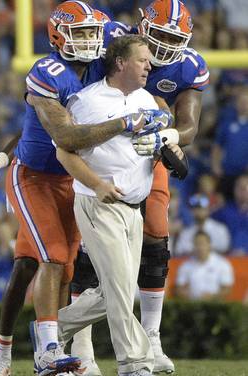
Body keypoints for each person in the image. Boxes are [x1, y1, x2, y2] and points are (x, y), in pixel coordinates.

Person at [0, 2, 154, 375]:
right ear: (58, 35)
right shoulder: (48, 71)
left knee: (59, 267)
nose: (88, 40)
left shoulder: (99, 71)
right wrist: (126, 123)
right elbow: (62, 135)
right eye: (81, 32)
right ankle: (42, 350)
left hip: (71, 180)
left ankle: (48, 351)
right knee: (49, 259)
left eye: (92, 33)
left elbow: (136, 74)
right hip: (34, 177)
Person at [70, 1, 209, 373]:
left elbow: (189, 126)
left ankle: (151, 339)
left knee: (157, 236)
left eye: (172, 38)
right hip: (98, 149)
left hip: (146, 153)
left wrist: (169, 133)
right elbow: (76, 88)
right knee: (85, 250)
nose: (163, 47)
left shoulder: (190, 65)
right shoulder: (110, 39)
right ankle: (79, 346)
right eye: (158, 36)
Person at [55, 34, 184, 376]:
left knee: (118, 291)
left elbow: (152, 143)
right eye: (143, 59)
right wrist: (96, 185)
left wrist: (168, 148)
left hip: (134, 208)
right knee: (120, 289)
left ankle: (51, 331)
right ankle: (135, 363)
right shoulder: (87, 101)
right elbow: (63, 150)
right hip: (99, 204)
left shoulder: (146, 99)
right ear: (121, 62)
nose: (150, 65)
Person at [175, 231, 234, 300]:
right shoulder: (185, 266)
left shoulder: (223, 264)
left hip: (216, 304)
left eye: (202, 243)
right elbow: (179, 288)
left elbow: (227, 289)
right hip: (192, 304)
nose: (200, 247)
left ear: (209, 244)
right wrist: (190, 297)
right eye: (197, 244)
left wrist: (212, 297)